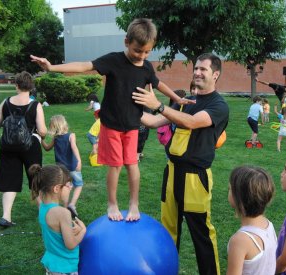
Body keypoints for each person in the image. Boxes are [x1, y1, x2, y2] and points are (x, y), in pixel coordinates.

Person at [31, 18, 191, 222]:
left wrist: (177, 98)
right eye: (137, 51)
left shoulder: (147, 67)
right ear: (126, 41)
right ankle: (112, 203)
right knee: (115, 165)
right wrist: (52, 68)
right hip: (112, 126)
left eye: (146, 52)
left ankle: (134, 204)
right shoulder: (113, 60)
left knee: (132, 164)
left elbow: (159, 84)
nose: (141, 56)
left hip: (132, 126)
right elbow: (84, 66)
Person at [133, 53, 229, 275]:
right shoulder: (187, 102)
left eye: (203, 69)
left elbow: (193, 122)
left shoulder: (219, 105)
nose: (197, 72)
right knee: (168, 232)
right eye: (196, 68)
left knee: (202, 235)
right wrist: (131, 108)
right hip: (172, 172)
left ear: (215, 74)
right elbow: (155, 122)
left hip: (195, 178)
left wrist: (158, 105)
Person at [0, 71, 47, 227]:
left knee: (9, 179)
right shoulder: (35, 105)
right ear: (31, 86)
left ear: (16, 85)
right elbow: (42, 131)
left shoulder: (6, 102)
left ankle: (6, 217)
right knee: (35, 179)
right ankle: (43, 213)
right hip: (31, 146)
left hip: (8, 146)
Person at [29, 164, 86, 275]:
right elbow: (70, 244)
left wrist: (74, 228)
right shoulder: (62, 213)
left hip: (51, 263)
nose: (71, 188)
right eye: (68, 185)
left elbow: (57, 231)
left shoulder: (42, 207)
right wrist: (83, 230)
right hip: (65, 267)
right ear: (56, 188)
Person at [226, 166, 277, 275]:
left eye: (230, 188)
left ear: (239, 197)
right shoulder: (268, 225)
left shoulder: (240, 240)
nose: (228, 190)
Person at [41, 115, 83, 216]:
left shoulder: (55, 138)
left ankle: (64, 207)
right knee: (79, 185)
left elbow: (47, 148)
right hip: (73, 167)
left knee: (65, 187)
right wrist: (79, 160)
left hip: (61, 169)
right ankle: (72, 205)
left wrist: (41, 139)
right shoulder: (71, 135)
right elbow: (74, 147)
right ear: (64, 123)